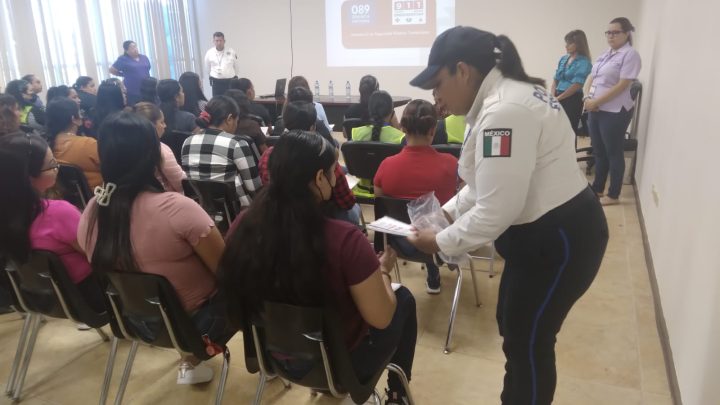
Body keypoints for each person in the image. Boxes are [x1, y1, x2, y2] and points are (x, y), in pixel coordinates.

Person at [407, 26, 609, 405]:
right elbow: (490, 183)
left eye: (437, 83)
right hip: (545, 231)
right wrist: (447, 215)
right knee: (514, 326)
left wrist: (439, 241)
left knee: (529, 341)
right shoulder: (508, 98)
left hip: (560, 238)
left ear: (462, 71)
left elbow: (496, 209)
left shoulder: (505, 112)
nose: (435, 96)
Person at [218, 130, 417, 404]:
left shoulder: (242, 226)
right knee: (403, 298)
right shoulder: (345, 240)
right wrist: (382, 270)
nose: (337, 178)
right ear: (319, 178)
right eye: (334, 171)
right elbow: (381, 318)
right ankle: (397, 394)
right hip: (341, 366)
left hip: (273, 354)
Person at [77, 111, 234, 384]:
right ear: (155, 155)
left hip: (133, 322)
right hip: (197, 327)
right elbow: (228, 272)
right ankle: (277, 363)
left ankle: (190, 360)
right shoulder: (177, 209)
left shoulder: (92, 211)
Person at [0, 133, 105, 312]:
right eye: (51, 165)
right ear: (28, 177)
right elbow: (99, 254)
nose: (57, 168)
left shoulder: (8, 216)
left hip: (38, 298)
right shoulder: (57, 213)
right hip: (88, 299)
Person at [373, 99, 458, 293]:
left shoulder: (386, 166)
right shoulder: (452, 164)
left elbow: (381, 206)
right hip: (440, 245)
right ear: (433, 130)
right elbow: (461, 203)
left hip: (400, 243)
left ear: (402, 128)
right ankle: (433, 271)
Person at [258, 101, 360, 225]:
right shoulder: (325, 157)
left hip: (278, 219)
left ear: (285, 123)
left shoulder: (268, 155)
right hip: (319, 221)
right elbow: (347, 202)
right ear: (313, 127)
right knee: (354, 211)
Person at [584, 17, 641, 206]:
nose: (610, 36)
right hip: (596, 108)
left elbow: (623, 85)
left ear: (626, 34)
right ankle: (598, 187)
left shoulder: (630, 55)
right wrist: (587, 99)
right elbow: (591, 77)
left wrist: (596, 102)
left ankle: (614, 194)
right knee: (599, 151)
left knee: (613, 152)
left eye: (615, 32)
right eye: (608, 32)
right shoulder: (606, 53)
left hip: (615, 111)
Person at [181, 96, 262, 207]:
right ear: (229, 119)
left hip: (201, 211)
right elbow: (254, 188)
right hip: (235, 212)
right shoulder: (236, 144)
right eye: (236, 121)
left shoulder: (187, 142)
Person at [46, 98, 103, 189]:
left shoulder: (47, 146)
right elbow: (113, 167)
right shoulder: (87, 144)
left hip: (69, 198)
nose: (81, 116)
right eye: (79, 112)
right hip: (99, 197)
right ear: (73, 119)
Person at [133, 102, 186, 193]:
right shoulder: (161, 150)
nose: (165, 126)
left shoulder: (127, 148)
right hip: (165, 200)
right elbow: (182, 183)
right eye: (161, 122)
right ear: (151, 126)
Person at [550, 30, 592, 135]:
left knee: (568, 131)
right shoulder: (563, 59)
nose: (566, 46)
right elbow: (556, 79)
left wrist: (558, 98)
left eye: (569, 43)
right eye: (566, 43)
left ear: (578, 44)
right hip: (557, 96)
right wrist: (552, 95)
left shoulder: (584, 62)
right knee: (554, 129)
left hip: (572, 99)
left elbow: (577, 85)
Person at [224, 89, 267, 154]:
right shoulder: (252, 125)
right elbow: (265, 151)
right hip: (253, 162)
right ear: (245, 103)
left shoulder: (223, 126)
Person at [109, 40, 152, 105]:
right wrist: (122, 74)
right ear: (126, 50)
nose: (135, 49)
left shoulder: (144, 57)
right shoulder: (123, 59)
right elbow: (112, 70)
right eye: (132, 48)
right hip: (132, 89)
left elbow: (148, 68)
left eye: (135, 47)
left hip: (146, 88)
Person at [204, 32, 240, 97]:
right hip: (216, 82)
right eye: (216, 41)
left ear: (224, 41)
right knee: (217, 102)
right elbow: (207, 68)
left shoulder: (231, 51)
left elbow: (236, 66)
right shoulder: (209, 53)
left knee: (231, 101)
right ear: (213, 41)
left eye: (220, 40)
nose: (219, 43)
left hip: (230, 81)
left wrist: (235, 75)